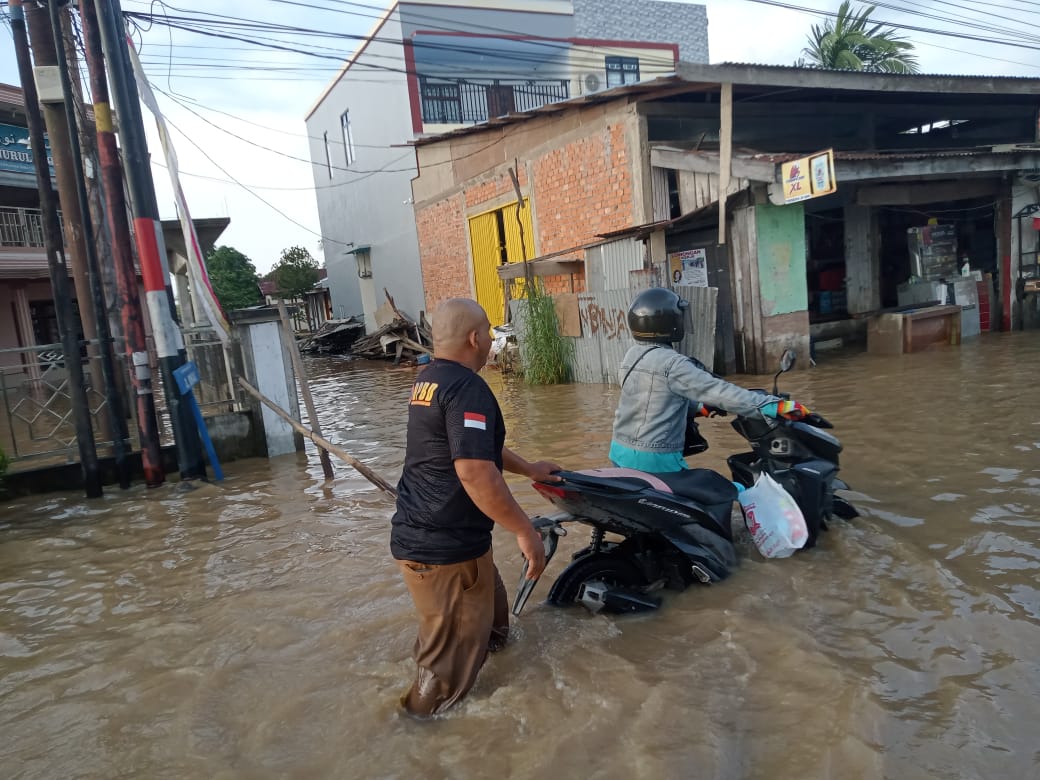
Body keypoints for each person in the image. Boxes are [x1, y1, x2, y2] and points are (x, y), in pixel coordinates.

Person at [391, 297, 563, 717]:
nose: (490, 339)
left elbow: (477, 447)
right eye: (488, 332)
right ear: (474, 338)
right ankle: (414, 738)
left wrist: (529, 469)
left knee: (496, 634)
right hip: (444, 552)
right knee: (441, 683)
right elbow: (473, 470)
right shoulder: (468, 387)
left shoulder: (429, 379)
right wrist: (525, 530)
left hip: (447, 542)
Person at [610, 287, 811, 474]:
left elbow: (651, 400)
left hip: (620, 451)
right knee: (720, 494)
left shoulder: (632, 356)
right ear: (668, 322)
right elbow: (719, 392)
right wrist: (774, 406)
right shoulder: (673, 364)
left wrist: (697, 408)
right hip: (654, 459)